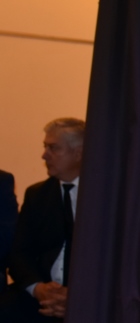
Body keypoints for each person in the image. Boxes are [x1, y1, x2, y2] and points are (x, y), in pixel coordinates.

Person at [7, 118, 86, 321]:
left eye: (53, 148)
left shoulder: (107, 198)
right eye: (45, 147)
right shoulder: (37, 195)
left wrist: (78, 297)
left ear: (78, 153)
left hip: (91, 294)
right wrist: (38, 289)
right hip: (41, 296)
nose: (44, 155)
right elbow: (18, 253)